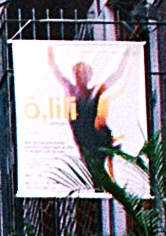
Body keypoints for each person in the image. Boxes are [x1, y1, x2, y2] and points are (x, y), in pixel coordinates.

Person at [46, 46, 133, 185]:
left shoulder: (95, 91)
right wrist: (50, 58)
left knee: (98, 161)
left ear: (89, 76)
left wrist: (126, 56)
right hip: (81, 134)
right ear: (75, 76)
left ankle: (106, 180)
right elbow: (57, 73)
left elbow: (115, 76)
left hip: (94, 135)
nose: (81, 76)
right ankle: (100, 183)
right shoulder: (71, 89)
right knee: (92, 165)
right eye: (78, 73)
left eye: (84, 73)